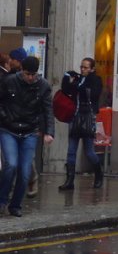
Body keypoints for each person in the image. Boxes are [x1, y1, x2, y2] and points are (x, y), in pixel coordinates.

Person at [0, 56, 54, 217]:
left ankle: (15, 205)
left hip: (30, 131)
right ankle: (2, 200)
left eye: (33, 74)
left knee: (24, 173)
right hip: (9, 129)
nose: (30, 77)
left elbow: (48, 110)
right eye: (27, 74)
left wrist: (49, 132)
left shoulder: (43, 86)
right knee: (11, 165)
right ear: (22, 71)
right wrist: (5, 117)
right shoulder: (9, 81)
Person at [58, 57, 104, 190]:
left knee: (89, 151)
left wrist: (81, 83)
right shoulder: (78, 79)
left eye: (85, 67)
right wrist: (67, 76)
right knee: (71, 151)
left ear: (92, 69)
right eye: (81, 67)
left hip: (88, 117)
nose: (82, 70)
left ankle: (99, 174)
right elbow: (66, 90)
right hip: (75, 117)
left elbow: (94, 95)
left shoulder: (95, 80)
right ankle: (69, 180)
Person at [7, 48, 40, 198]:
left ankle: (30, 181)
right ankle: (10, 190)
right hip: (11, 124)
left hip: (28, 126)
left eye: (12, 58)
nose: (10, 60)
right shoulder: (10, 77)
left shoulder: (36, 82)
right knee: (11, 162)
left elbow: (44, 107)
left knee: (25, 162)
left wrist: (44, 128)